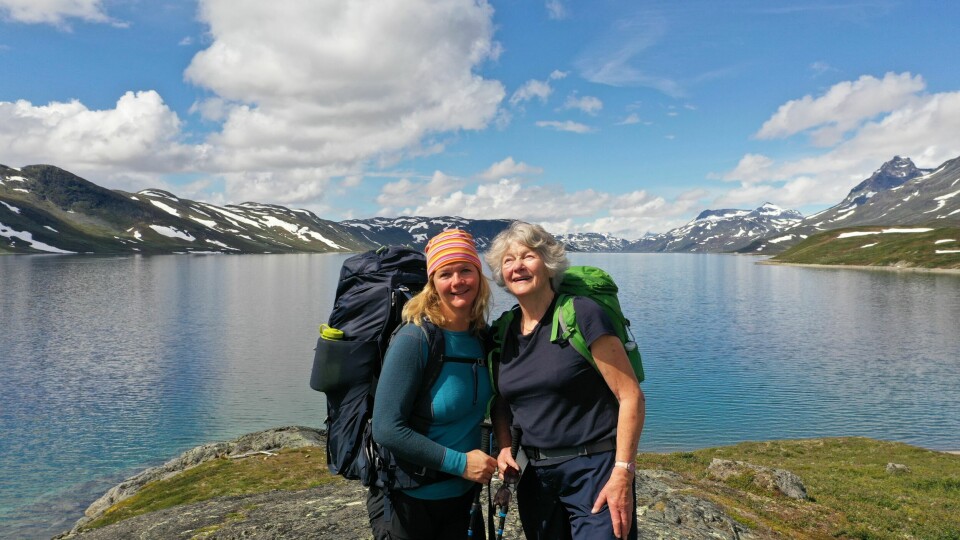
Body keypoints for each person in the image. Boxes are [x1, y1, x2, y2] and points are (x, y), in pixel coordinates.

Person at [486, 221, 646, 540]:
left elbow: (631, 396)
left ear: (548, 264)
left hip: (594, 471)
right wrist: (504, 447)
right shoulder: (504, 329)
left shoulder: (582, 314)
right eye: (508, 260)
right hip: (535, 479)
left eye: (528, 256)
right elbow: (502, 400)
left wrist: (623, 472)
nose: (517, 266)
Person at [367, 229, 498, 540]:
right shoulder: (415, 338)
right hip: (410, 502)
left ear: (479, 277)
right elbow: (386, 428)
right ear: (433, 284)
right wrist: (461, 463)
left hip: (463, 499)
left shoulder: (481, 337)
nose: (457, 281)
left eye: (465, 270)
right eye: (445, 273)